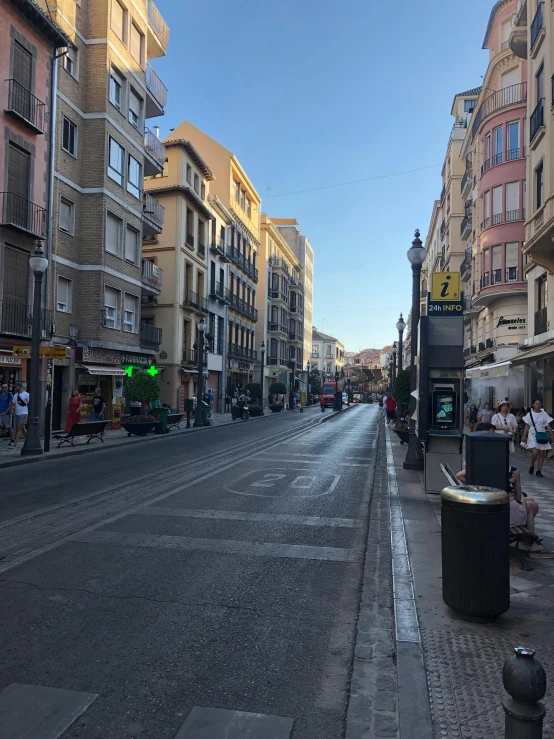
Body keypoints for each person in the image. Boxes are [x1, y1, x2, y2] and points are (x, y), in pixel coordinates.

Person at [522, 400, 554, 478]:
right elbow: (527, 425)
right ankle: (532, 465)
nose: (538, 405)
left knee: (542, 453)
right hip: (533, 434)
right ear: (533, 405)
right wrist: (524, 436)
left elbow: (548, 425)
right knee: (535, 452)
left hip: (542, 433)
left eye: (539, 404)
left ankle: (539, 470)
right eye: (536, 404)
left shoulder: (544, 413)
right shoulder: (530, 414)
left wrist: (552, 435)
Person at [8, 382, 29, 449]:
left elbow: (29, 403)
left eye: (16, 386)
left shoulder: (26, 394)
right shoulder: (15, 395)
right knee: (22, 429)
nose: (15, 388)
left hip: (23, 413)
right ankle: (29, 440)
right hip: (17, 413)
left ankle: (14, 444)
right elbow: (13, 404)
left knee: (19, 428)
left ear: (20, 387)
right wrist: (12, 409)